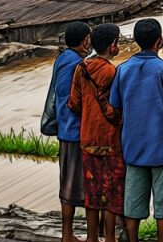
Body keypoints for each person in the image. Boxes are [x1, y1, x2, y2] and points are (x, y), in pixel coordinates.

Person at [109, 19, 163, 242]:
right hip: (162, 147)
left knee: (133, 203)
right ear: (159, 41)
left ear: (136, 41)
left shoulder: (122, 70)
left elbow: (115, 107)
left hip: (133, 146)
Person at [68, 24, 124, 242]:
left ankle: (91, 238)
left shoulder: (81, 68)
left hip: (87, 138)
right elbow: (116, 108)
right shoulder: (112, 72)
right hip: (110, 141)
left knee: (92, 193)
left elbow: (73, 103)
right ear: (113, 46)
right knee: (112, 193)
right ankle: (109, 238)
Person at [52, 21, 91, 242]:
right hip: (78, 131)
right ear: (85, 41)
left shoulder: (62, 59)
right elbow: (77, 101)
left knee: (67, 185)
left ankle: (68, 234)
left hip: (65, 129)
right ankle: (81, 235)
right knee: (88, 186)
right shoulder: (79, 64)